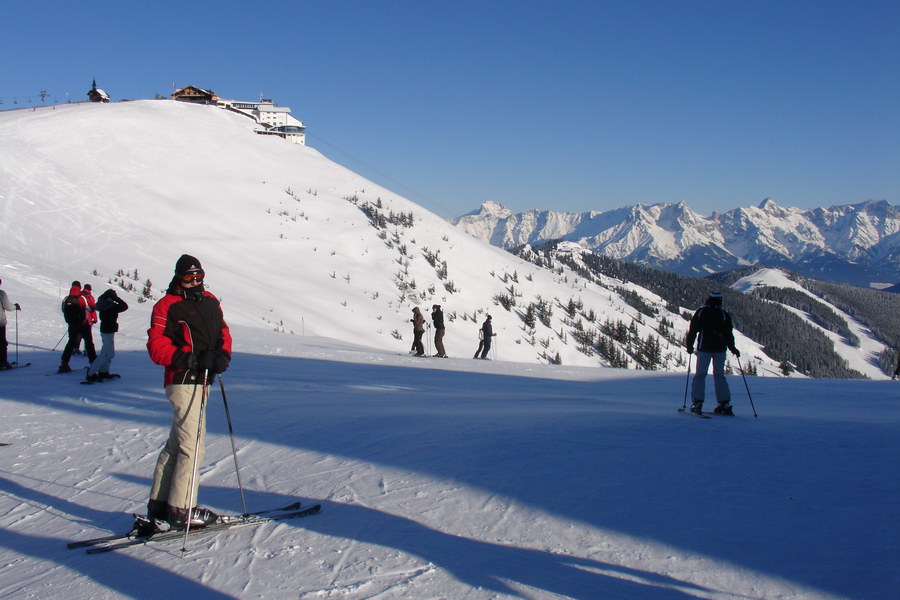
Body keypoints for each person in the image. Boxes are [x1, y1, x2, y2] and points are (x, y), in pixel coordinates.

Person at [144, 254, 232, 531]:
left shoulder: (211, 301)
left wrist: (222, 356)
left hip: (203, 381)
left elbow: (223, 332)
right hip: (182, 380)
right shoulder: (166, 306)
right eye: (188, 277)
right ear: (178, 278)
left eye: (199, 277)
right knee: (193, 447)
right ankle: (182, 510)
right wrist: (191, 360)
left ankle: (160, 507)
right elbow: (156, 348)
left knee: (176, 445)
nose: (195, 282)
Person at [685, 291, 739, 415]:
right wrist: (733, 348)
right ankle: (724, 403)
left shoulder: (701, 312)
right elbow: (728, 334)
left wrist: (689, 345)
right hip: (720, 349)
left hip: (704, 348)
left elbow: (693, 331)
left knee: (700, 375)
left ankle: (697, 402)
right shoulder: (723, 314)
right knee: (719, 376)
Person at [85, 289, 129, 383]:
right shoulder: (110, 305)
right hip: (108, 331)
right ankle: (91, 373)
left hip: (106, 330)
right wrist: (115, 298)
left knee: (109, 353)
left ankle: (103, 371)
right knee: (106, 353)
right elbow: (124, 306)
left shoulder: (104, 304)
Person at [59, 281, 97, 373]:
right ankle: (94, 365)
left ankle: (64, 364)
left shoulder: (66, 298)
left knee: (70, 343)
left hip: (72, 325)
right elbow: (90, 308)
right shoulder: (82, 297)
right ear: (80, 287)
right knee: (89, 343)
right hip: (84, 324)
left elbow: (63, 310)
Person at [0, 279, 22, 369]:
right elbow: (8, 307)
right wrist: (15, 306)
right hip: (0, 322)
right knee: (2, 343)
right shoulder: (1, 293)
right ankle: (2, 362)